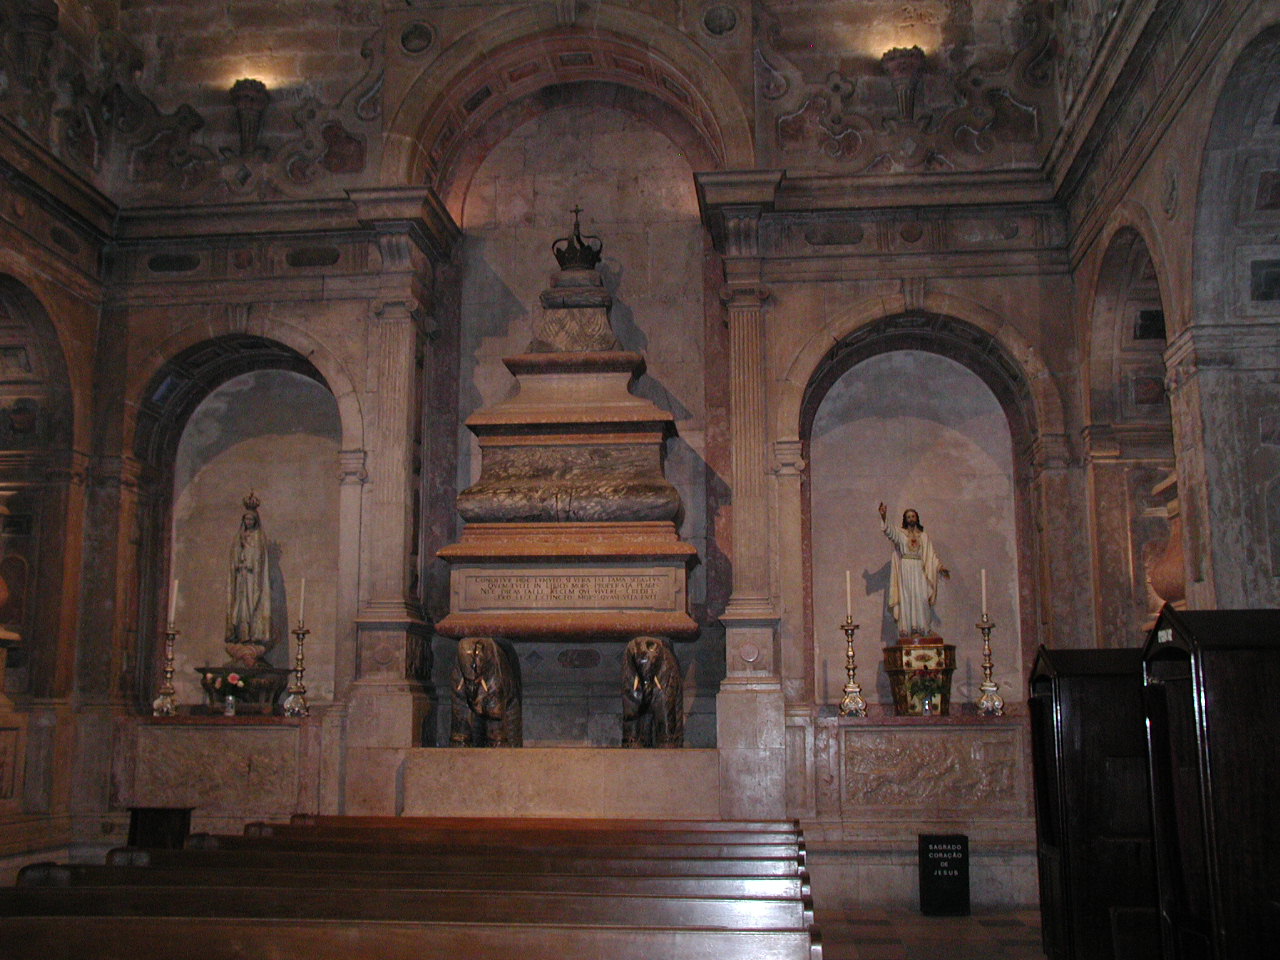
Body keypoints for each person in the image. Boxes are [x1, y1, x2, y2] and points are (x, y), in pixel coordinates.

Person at [879, 502, 949, 638]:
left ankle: (924, 628)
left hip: (919, 568)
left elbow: (931, 555)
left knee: (921, 598)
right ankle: (909, 628)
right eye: (908, 517)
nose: (911, 519)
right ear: (905, 520)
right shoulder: (901, 534)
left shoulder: (923, 537)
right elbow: (889, 531)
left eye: (913, 516)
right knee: (907, 597)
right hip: (906, 567)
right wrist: (883, 516)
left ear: (917, 518)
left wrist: (940, 567)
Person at [226, 495, 272, 664]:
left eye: (251, 519)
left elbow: (260, 558)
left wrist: (252, 564)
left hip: (253, 579)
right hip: (241, 578)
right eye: (246, 519)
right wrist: (239, 562)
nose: (249, 522)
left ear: (255, 521)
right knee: (240, 608)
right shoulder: (238, 538)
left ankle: (253, 635)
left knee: (252, 606)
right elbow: (233, 557)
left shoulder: (259, 538)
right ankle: (242, 636)